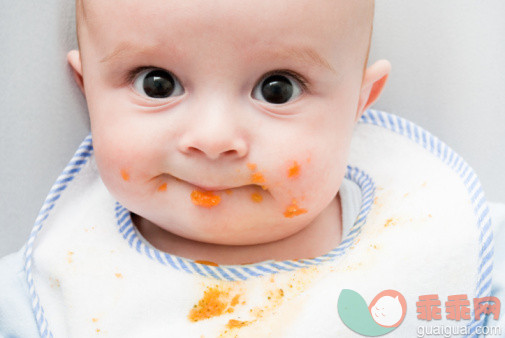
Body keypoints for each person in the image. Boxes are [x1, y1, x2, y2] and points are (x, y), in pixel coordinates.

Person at [1, 0, 504, 336]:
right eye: (157, 84)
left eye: (277, 89)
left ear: (359, 102)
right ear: (87, 89)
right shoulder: (49, 288)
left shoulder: (441, 236)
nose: (215, 139)